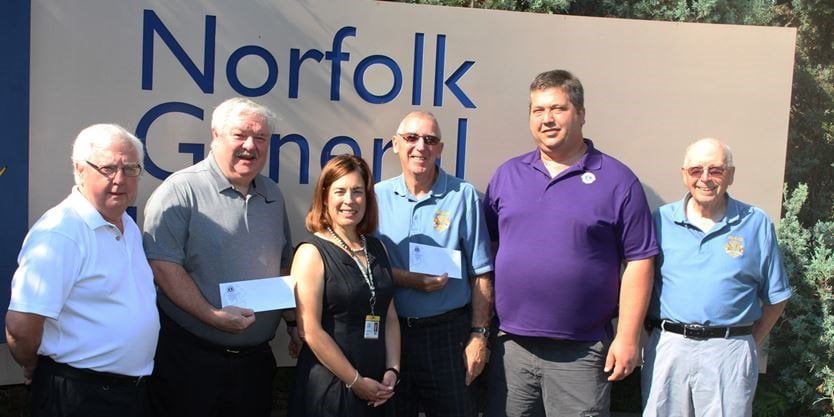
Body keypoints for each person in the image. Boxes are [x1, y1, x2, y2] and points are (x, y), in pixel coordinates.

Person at [483, 69, 659, 417]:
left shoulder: (618, 180)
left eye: (558, 109)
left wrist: (627, 336)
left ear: (581, 113)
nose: (547, 119)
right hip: (511, 347)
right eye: (538, 110)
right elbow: (488, 247)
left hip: (581, 352)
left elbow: (640, 261)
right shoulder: (507, 175)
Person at [143, 97, 298, 417]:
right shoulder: (180, 191)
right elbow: (162, 265)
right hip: (190, 362)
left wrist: (293, 322)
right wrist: (211, 315)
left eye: (261, 137)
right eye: (240, 135)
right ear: (215, 136)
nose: (250, 146)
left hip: (254, 364)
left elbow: (283, 263)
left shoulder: (272, 194)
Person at [5, 124, 159, 417]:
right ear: (79, 170)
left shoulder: (126, 225)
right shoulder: (61, 232)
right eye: (108, 168)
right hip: (78, 395)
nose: (120, 179)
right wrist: (33, 365)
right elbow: (21, 326)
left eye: (130, 169)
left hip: (128, 393)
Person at [641, 138, 792, 417]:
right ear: (684, 174)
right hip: (669, 348)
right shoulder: (659, 220)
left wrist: (745, 341)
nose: (705, 178)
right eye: (696, 170)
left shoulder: (755, 223)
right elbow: (640, 285)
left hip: (729, 353)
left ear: (730, 175)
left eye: (716, 170)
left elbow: (776, 297)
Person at [374, 111, 494, 417]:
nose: (420, 147)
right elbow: (365, 269)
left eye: (430, 140)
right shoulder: (376, 196)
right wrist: (409, 279)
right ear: (395, 144)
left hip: (448, 336)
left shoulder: (463, 195)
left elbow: (481, 274)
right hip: (392, 337)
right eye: (411, 138)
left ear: (440, 149)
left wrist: (479, 335)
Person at [289, 154, 400, 417]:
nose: (349, 200)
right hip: (331, 388)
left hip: (378, 386)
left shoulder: (377, 247)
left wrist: (392, 370)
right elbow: (309, 330)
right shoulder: (310, 253)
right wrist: (356, 382)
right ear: (325, 197)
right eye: (340, 191)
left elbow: (390, 317)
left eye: (357, 191)